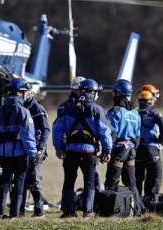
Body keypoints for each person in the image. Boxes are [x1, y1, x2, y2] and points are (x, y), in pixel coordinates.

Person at [53, 78, 112, 218]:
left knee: (69, 181)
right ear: (92, 92)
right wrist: (107, 151)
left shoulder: (67, 108)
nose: (97, 95)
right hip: (89, 152)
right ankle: (88, 211)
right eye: (97, 92)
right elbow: (105, 132)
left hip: (71, 151)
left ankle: (68, 211)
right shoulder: (97, 109)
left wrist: (58, 147)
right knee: (89, 182)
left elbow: (57, 129)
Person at [0, 78, 38, 219]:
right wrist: (33, 154)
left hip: (4, 153)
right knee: (19, 183)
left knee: (4, 183)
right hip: (20, 154)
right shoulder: (23, 112)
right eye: (24, 92)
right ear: (19, 93)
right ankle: (14, 214)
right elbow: (27, 135)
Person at [104, 79, 143, 211]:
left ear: (118, 93)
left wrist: (106, 151)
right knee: (131, 183)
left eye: (114, 92)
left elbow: (112, 134)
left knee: (112, 181)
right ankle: (137, 209)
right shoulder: (135, 113)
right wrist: (133, 149)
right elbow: (137, 136)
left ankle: (109, 210)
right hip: (131, 150)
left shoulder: (115, 111)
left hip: (118, 150)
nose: (113, 94)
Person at [20, 83, 50, 217]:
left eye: (22, 93)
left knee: (33, 179)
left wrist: (41, 148)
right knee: (22, 180)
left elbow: (46, 130)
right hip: (24, 148)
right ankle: (19, 210)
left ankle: (39, 211)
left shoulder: (37, 108)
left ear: (29, 93)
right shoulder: (20, 107)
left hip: (36, 149)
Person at [135, 84, 163, 202]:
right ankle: (151, 203)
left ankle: (136, 204)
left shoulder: (134, 112)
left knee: (137, 177)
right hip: (152, 148)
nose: (155, 100)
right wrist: (161, 139)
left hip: (137, 149)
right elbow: (162, 124)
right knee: (155, 176)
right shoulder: (154, 113)